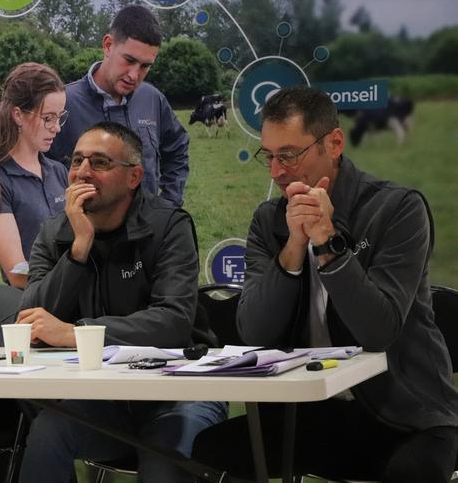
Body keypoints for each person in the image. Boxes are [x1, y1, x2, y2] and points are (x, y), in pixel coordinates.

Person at [192, 86, 458, 482]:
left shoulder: (397, 209)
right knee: (210, 452)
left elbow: (378, 330)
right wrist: (294, 246)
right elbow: (254, 331)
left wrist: (327, 244)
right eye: (269, 156)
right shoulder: (269, 221)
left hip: (405, 414)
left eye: (289, 155)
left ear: (333, 143)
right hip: (308, 411)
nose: (276, 171)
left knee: (410, 473)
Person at [16, 121, 227, 483]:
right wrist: (78, 250)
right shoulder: (56, 233)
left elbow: (174, 322)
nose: (82, 172)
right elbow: (31, 320)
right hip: (104, 396)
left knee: (163, 457)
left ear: (134, 177)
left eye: (99, 162)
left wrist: (77, 333)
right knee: (49, 433)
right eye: (77, 161)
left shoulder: (168, 226)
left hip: (178, 392)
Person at [48, 4, 189, 207]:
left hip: (149, 233)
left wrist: (169, 205)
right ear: (108, 45)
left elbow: (178, 148)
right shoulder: (63, 103)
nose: (134, 74)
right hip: (85, 235)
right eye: (129, 60)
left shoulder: (152, 98)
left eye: (145, 66)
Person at [0, 62, 69, 289]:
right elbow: (18, 274)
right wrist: (77, 277)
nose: (57, 128)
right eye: (48, 118)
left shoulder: (59, 171)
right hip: (32, 312)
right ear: (18, 115)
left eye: (59, 117)